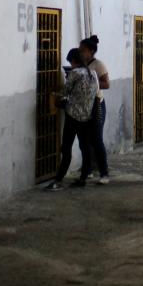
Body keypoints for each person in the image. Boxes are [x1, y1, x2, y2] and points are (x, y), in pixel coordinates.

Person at [45, 49, 99, 191]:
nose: (71, 64)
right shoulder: (92, 73)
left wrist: (52, 93)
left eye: (70, 62)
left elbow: (65, 92)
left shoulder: (75, 73)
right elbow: (95, 93)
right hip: (87, 117)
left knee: (66, 148)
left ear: (73, 61)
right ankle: (83, 178)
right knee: (85, 148)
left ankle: (58, 180)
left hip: (73, 116)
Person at [79, 35, 110, 184]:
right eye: (80, 50)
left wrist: (92, 85)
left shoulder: (98, 65)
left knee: (97, 139)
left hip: (97, 104)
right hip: (85, 105)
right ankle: (88, 170)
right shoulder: (80, 65)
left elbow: (106, 84)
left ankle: (104, 173)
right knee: (86, 140)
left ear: (91, 51)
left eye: (83, 50)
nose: (81, 52)